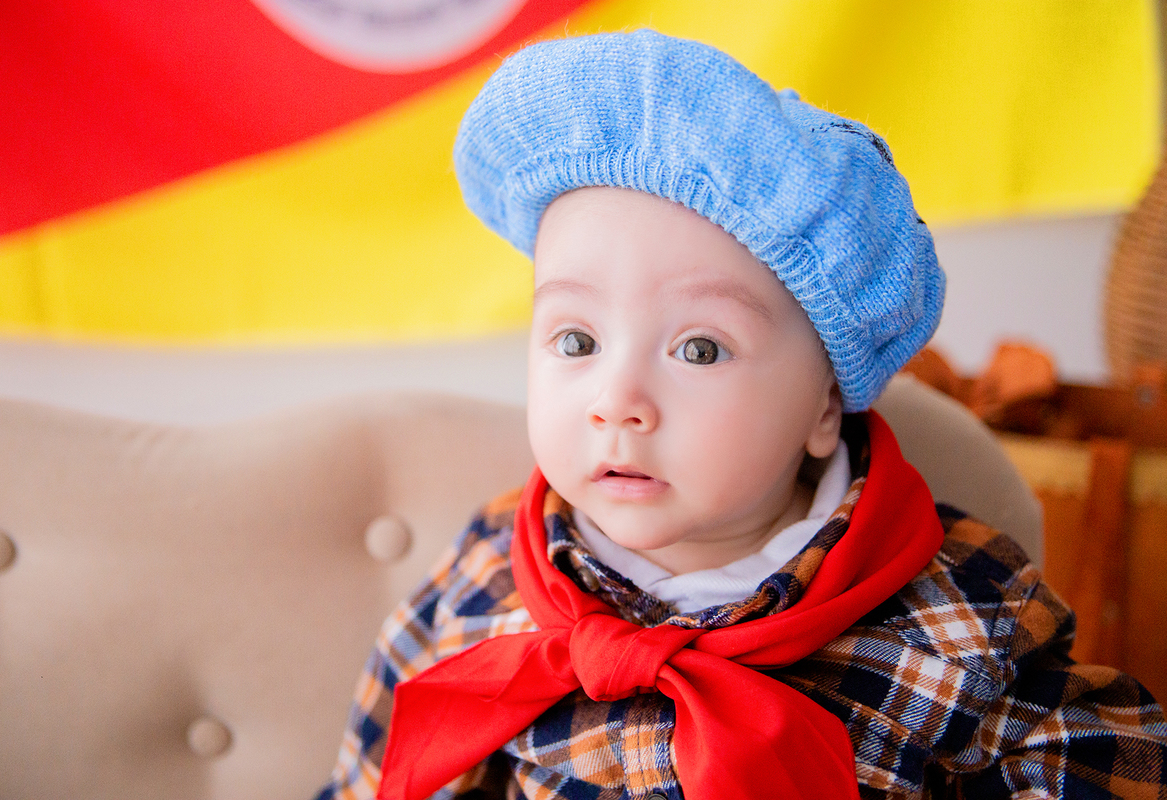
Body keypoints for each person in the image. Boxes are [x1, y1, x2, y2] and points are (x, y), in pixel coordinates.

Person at [317, 29, 1167, 800]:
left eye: (699, 350)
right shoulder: (487, 569)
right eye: (577, 340)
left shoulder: (959, 612)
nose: (617, 402)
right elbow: (379, 769)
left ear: (823, 406)